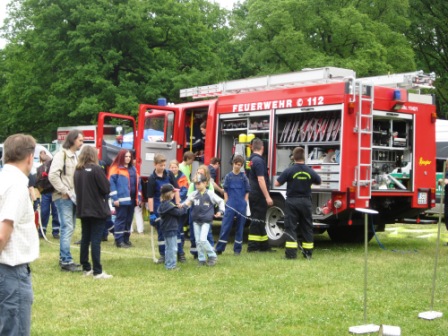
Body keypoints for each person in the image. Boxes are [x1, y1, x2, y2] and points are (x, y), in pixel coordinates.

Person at [0, 134, 39, 335]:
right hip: (11, 271)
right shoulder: (15, 185)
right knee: (14, 330)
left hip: (7, 270)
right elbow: (2, 235)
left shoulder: (4, 178)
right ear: (30, 157)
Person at [274, 147, 321, 259]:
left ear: (293, 157)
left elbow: (276, 184)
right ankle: (308, 254)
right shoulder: (309, 171)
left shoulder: (289, 170)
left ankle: (290, 255)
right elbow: (318, 181)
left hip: (292, 201)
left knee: (291, 227)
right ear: (303, 157)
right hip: (306, 201)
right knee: (307, 227)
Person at [74, 146, 113, 279]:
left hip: (83, 208)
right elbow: (106, 188)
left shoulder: (78, 170)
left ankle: (86, 267)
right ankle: (97, 271)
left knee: (85, 238)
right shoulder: (96, 169)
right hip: (96, 208)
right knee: (95, 240)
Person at [49, 129, 84, 272]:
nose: (82, 143)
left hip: (73, 197)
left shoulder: (75, 157)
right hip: (63, 197)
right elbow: (52, 176)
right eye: (80, 140)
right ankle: (66, 260)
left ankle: (64, 257)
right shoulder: (61, 155)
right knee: (67, 227)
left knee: (70, 227)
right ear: (73, 140)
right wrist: (65, 191)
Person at [183, 174, 225, 266]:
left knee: (202, 239)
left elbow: (221, 201)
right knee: (198, 241)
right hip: (196, 221)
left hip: (206, 221)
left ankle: (212, 255)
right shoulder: (193, 194)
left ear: (205, 183)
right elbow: (186, 203)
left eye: (199, 183)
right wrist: (181, 206)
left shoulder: (210, 193)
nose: (197, 185)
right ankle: (201, 259)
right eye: (196, 184)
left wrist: (221, 211)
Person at [147, 154, 180, 264]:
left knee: (174, 230)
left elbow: (176, 190)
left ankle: (177, 253)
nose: (163, 167)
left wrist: (178, 204)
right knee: (161, 232)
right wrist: (152, 213)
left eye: (164, 165)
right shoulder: (152, 178)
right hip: (158, 208)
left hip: (170, 206)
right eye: (160, 165)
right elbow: (150, 197)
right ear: (155, 164)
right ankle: (163, 254)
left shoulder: (169, 174)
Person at [215, 155, 250, 255]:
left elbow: (247, 191)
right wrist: (226, 201)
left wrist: (245, 202)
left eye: (240, 165)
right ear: (233, 164)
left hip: (241, 205)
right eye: (236, 164)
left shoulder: (244, 177)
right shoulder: (228, 176)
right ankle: (220, 249)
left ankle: (237, 250)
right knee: (225, 226)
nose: (237, 166)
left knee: (240, 228)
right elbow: (225, 190)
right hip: (230, 204)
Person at [109, 150, 142, 248]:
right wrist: (115, 198)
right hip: (121, 200)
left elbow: (138, 184)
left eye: (129, 156)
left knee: (128, 220)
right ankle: (119, 240)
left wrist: (139, 197)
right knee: (121, 219)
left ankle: (126, 239)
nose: (128, 158)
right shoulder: (115, 168)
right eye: (125, 156)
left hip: (132, 199)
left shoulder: (133, 169)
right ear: (121, 157)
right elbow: (111, 185)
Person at [247, 138, 274, 252]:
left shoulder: (251, 160)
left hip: (253, 193)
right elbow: (261, 179)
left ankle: (264, 246)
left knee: (260, 219)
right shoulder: (258, 161)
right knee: (257, 220)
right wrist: (267, 196)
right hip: (258, 194)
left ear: (252, 147)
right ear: (262, 148)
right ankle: (252, 247)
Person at [187, 165, 215, 258]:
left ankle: (211, 253)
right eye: (198, 172)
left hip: (205, 214)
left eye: (201, 173)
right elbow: (189, 198)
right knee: (194, 235)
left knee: (208, 234)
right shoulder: (192, 185)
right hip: (194, 212)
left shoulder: (209, 185)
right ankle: (197, 254)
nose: (199, 174)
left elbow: (212, 199)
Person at [158, 184, 188, 270]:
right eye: (173, 193)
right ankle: (171, 266)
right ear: (168, 194)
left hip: (167, 229)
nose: (174, 194)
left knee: (168, 248)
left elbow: (174, 209)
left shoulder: (165, 204)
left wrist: (177, 207)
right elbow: (179, 213)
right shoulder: (169, 205)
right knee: (173, 248)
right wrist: (185, 206)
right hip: (171, 229)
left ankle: (168, 264)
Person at [169, 159, 189, 262]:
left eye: (175, 167)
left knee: (179, 230)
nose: (174, 169)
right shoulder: (167, 177)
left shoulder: (183, 178)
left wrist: (175, 198)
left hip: (180, 206)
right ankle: (178, 251)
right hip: (170, 207)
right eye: (172, 167)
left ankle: (180, 252)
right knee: (175, 231)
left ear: (178, 167)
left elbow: (184, 191)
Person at [37, 153, 60, 239]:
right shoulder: (42, 168)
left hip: (55, 192)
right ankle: (42, 231)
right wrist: (41, 190)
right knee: (44, 211)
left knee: (56, 212)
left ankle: (56, 231)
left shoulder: (58, 167)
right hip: (46, 192)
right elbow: (38, 180)